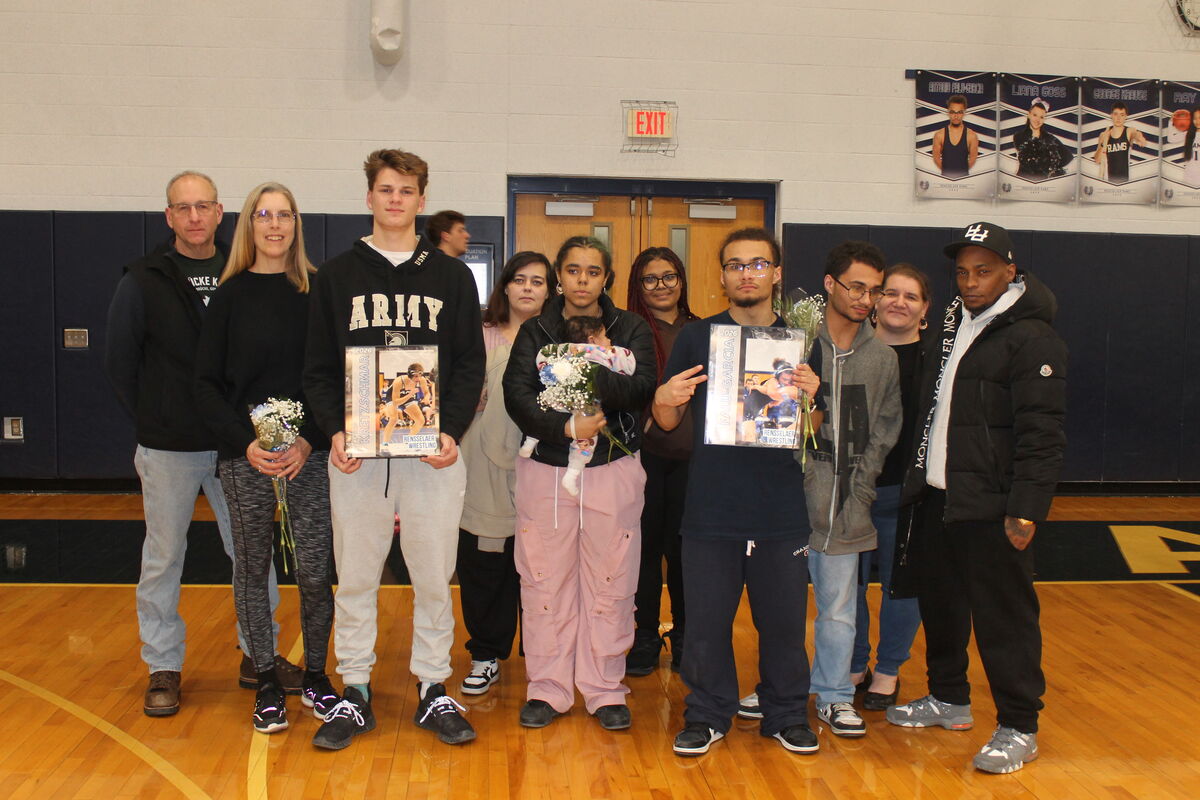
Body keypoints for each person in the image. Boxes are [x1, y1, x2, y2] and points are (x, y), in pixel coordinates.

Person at [303, 149, 485, 750]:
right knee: (355, 575)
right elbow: (317, 369)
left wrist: (451, 431)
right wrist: (333, 429)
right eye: (385, 189)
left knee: (434, 575)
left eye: (406, 190)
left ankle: (433, 686)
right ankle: (354, 689)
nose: (395, 200)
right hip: (358, 454)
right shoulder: (335, 277)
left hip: (431, 452)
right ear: (369, 198)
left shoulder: (452, 277)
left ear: (421, 199)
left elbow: (467, 368)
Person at [105, 171, 297, 718]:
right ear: (169, 217)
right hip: (170, 448)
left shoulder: (241, 275)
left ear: (220, 214)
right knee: (164, 557)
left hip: (240, 447)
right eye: (182, 208)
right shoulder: (143, 279)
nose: (193, 217)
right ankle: (163, 665)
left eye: (204, 206)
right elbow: (120, 364)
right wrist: (156, 419)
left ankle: (255, 653)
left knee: (252, 555)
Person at [887, 221, 1067, 775]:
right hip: (939, 494)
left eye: (983, 271)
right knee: (941, 605)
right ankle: (948, 697)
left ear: (1011, 272)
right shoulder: (952, 324)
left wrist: (1027, 507)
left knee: (1003, 617)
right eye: (962, 272)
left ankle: (1020, 724)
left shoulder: (1033, 337)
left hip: (993, 505)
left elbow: (1043, 431)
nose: (970, 281)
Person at [655, 227, 825, 757]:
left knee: (783, 625)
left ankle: (786, 714)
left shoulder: (801, 343)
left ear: (776, 274)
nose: (746, 273)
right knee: (705, 624)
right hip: (711, 504)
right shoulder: (697, 336)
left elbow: (814, 429)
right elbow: (667, 419)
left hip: (780, 506)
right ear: (722, 275)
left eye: (757, 264)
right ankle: (707, 715)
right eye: (735, 265)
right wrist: (664, 397)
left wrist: (814, 397)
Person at [736, 241, 900, 740]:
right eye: (856, 286)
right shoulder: (789, 343)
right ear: (830, 285)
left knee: (838, 609)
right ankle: (778, 688)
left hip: (848, 504)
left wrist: (863, 485)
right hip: (787, 501)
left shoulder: (883, 359)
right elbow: (758, 414)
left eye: (874, 290)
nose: (865, 298)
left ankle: (833, 695)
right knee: (777, 607)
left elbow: (884, 431)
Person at [193, 182, 337, 734]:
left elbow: (332, 380)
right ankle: (269, 683)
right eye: (264, 215)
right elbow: (205, 385)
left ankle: (319, 677)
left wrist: (308, 440)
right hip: (244, 458)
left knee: (314, 570)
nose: (274, 225)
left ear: (297, 225)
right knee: (252, 569)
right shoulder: (228, 298)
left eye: (285, 215)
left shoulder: (318, 292)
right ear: (249, 225)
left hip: (311, 455)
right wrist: (246, 444)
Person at [502, 235, 655, 732]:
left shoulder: (630, 327)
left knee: (611, 580)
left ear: (606, 278)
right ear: (559, 277)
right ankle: (548, 688)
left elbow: (639, 388)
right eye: (573, 271)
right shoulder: (535, 330)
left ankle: (605, 687)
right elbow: (517, 394)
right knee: (544, 578)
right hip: (547, 467)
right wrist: (565, 427)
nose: (582, 280)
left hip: (612, 466)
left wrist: (585, 364)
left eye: (593, 271)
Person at [457, 252, 554, 696]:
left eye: (538, 281)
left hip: (543, 465)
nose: (528, 288)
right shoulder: (478, 336)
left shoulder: (561, 339)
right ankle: (485, 654)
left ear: (550, 290)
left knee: (542, 566)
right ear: (505, 286)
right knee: (485, 561)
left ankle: (547, 656)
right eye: (520, 280)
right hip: (483, 465)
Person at [850, 263, 931, 711]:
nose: (899, 301)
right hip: (853, 494)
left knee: (901, 587)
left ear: (924, 310)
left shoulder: (936, 364)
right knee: (849, 586)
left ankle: (888, 670)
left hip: (907, 494)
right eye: (891, 293)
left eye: (911, 296)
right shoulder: (854, 353)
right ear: (875, 303)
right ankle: (856, 663)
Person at [624, 247, 698, 676]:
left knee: (687, 553)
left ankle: (686, 634)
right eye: (650, 279)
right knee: (645, 552)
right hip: (643, 459)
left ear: (681, 280)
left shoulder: (702, 329)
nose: (661, 286)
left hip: (694, 463)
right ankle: (645, 635)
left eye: (669, 276)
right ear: (638, 286)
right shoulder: (630, 333)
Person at [517, 315, 637, 496]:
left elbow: (542, 358)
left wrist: (552, 371)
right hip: (585, 405)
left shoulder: (561, 349)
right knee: (588, 437)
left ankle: (530, 442)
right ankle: (572, 473)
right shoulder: (603, 352)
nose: (609, 340)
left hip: (562, 396)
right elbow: (630, 365)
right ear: (592, 339)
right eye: (605, 336)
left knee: (545, 409)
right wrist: (614, 350)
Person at [1013, 101, 1073, 180]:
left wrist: (1053, 167)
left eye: (1041, 117)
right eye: (1035, 115)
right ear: (1029, 115)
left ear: (1044, 119)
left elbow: (1068, 156)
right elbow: (1028, 159)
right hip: (1023, 179)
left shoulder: (1050, 138)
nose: (1037, 120)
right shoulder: (1018, 136)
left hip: (1043, 182)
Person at [1093, 101, 1149, 184]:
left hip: (1125, 182)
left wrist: (1139, 138)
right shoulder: (1104, 134)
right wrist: (1103, 143)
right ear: (1111, 115)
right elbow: (1097, 160)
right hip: (1108, 182)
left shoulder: (1129, 131)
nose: (1118, 118)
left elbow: (1139, 137)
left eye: (1122, 115)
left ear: (1126, 117)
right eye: (1116, 114)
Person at [932, 94, 978, 179]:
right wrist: (948, 172)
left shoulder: (971, 136)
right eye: (953, 112)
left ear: (964, 113)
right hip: (944, 182)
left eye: (959, 112)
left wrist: (960, 172)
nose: (956, 116)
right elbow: (936, 158)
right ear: (948, 112)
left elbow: (973, 158)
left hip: (964, 183)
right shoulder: (939, 135)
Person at [1180, 108, 1200, 188]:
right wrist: (1171, 121)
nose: (1197, 121)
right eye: (1195, 118)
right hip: (1189, 175)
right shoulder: (1188, 134)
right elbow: (1171, 138)